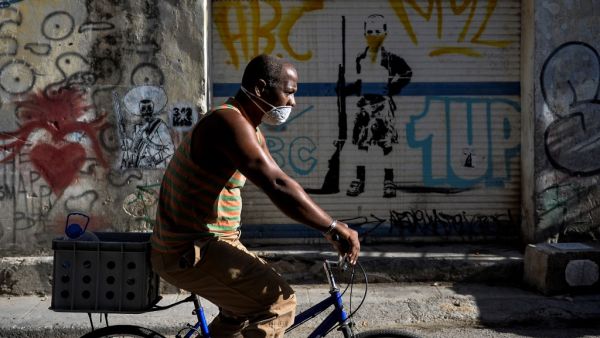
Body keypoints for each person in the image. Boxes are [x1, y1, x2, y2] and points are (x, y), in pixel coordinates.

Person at [150, 54, 361, 338]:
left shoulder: (248, 128)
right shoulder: (227, 122)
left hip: (208, 246)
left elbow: (281, 179)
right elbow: (276, 184)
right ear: (261, 89)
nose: (293, 102)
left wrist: (326, 225)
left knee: (241, 313)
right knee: (280, 303)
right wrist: (332, 227)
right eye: (288, 92)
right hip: (189, 250)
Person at [346, 14, 412, 198]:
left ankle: (388, 181)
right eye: (369, 32)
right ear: (364, 34)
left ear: (384, 33)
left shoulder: (390, 59)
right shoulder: (360, 58)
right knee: (361, 143)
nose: (373, 35)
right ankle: (359, 180)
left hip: (383, 105)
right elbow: (359, 81)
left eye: (377, 32)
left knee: (386, 144)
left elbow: (407, 72)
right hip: (365, 105)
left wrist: (393, 87)